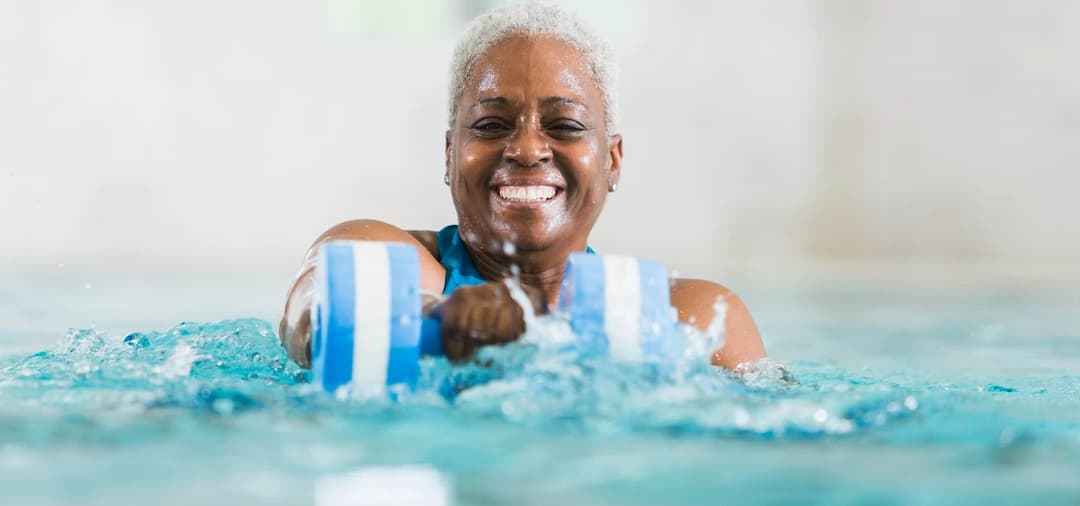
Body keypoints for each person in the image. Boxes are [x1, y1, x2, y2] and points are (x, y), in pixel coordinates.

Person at [279, 3, 766, 370]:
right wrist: (440, 321)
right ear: (450, 154)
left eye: (566, 126)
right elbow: (313, 316)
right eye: (491, 124)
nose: (527, 149)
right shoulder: (387, 253)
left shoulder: (691, 316)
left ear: (612, 161)